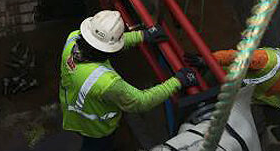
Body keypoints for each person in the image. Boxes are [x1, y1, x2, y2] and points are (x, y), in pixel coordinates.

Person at [60, 10, 199, 151]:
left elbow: (103, 43)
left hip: (73, 114)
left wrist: (142, 35)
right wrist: (178, 81)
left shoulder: (73, 38)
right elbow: (141, 101)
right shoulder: (106, 82)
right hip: (96, 129)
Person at [188, 48, 280, 118]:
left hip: (235, 103)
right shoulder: (272, 60)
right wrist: (207, 61)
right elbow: (236, 56)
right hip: (216, 81)